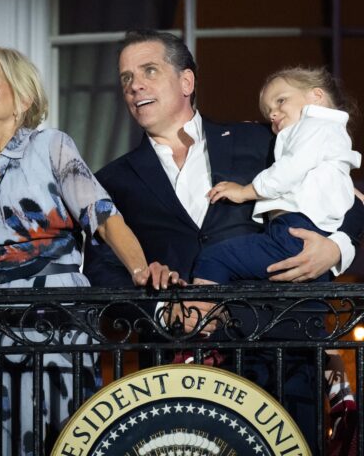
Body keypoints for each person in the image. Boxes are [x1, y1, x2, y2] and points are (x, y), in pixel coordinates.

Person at [82, 30, 364, 452]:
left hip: (280, 358)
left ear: (186, 82)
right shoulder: (111, 179)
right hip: (175, 378)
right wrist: (158, 307)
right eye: (125, 78)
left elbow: (348, 193)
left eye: (149, 71)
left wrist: (337, 247)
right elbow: (99, 268)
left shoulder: (262, 142)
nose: (134, 84)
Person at [0, 45, 180, 455]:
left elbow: (104, 216)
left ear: (23, 98)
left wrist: (141, 270)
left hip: (54, 328)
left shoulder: (49, 147)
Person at [191, 66, 360, 447]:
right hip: (289, 264)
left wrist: (247, 190)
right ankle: (338, 394)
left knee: (215, 261)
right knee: (316, 334)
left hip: (294, 234)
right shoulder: (313, 139)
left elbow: (351, 200)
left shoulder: (315, 129)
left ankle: (197, 346)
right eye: (270, 111)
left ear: (316, 97)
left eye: (281, 102)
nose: (274, 116)